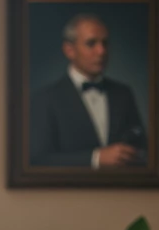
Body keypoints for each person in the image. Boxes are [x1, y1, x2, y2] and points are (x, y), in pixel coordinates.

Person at [29, 13, 147, 169]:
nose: (101, 51)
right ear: (69, 50)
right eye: (91, 43)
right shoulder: (45, 98)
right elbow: (39, 159)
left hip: (123, 192)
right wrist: (95, 158)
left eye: (105, 43)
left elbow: (143, 149)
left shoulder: (123, 93)